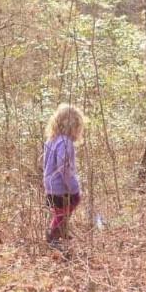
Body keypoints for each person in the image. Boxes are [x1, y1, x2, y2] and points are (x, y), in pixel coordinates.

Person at [43, 104, 84, 249]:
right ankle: (53, 236)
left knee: (61, 211)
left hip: (50, 185)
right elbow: (63, 166)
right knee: (64, 210)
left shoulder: (52, 140)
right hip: (61, 186)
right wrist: (72, 185)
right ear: (74, 125)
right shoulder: (65, 142)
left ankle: (62, 230)